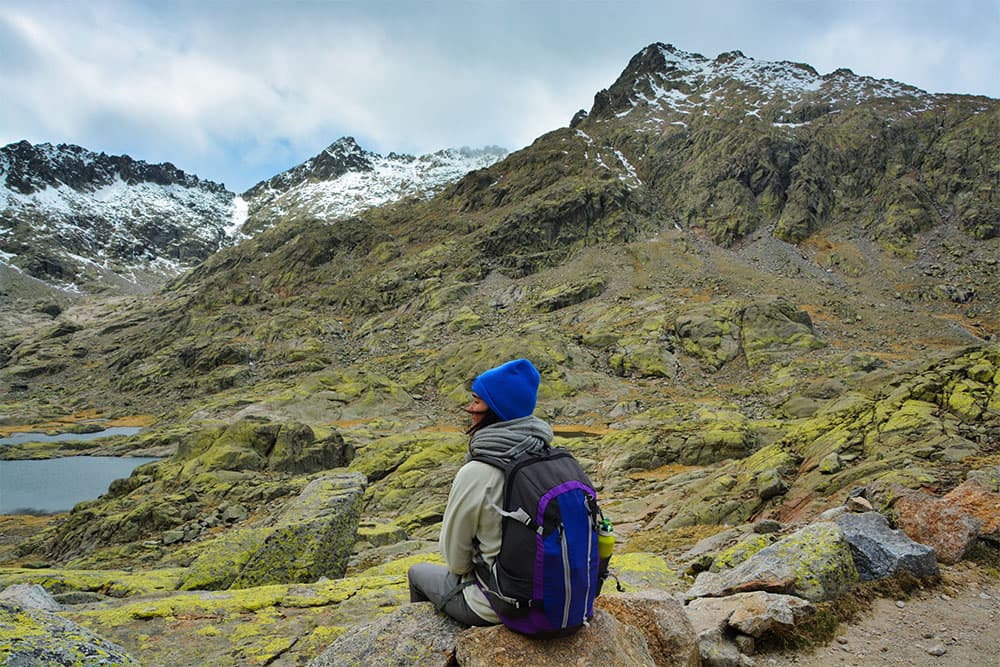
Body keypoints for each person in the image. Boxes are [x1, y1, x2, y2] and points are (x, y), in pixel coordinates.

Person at [407, 357, 553, 626]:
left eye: (477, 401)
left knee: (417, 574)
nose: (469, 408)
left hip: (503, 605)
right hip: (562, 600)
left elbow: (456, 563)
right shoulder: (550, 457)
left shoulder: (478, 471)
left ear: (497, 409)